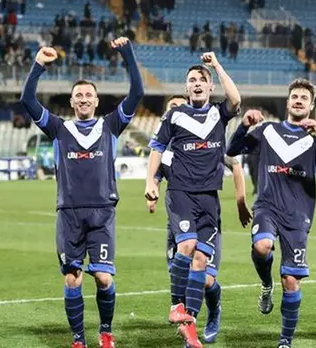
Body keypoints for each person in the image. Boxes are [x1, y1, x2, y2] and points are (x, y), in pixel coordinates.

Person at [19, 37, 144, 348]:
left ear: (97, 101)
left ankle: (105, 332)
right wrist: (38, 65)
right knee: (72, 277)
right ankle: (78, 339)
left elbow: (137, 93)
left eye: (89, 95)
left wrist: (127, 53)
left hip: (102, 213)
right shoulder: (59, 128)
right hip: (69, 214)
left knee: (103, 277)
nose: (84, 99)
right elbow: (27, 100)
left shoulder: (111, 125)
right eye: (79, 95)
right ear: (72, 102)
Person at [227, 79, 316, 348]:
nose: (299, 100)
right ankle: (266, 284)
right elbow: (231, 150)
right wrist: (244, 126)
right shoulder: (268, 131)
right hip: (268, 205)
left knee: (291, 280)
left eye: (304, 98)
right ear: (288, 103)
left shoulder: (313, 137)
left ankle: (285, 340)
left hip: (298, 215)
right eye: (295, 96)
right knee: (262, 246)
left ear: (311, 106)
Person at [145, 53, 241, 348]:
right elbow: (157, 148)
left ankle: (193, 326)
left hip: (209, 198)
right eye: (192, 80)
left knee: (201, 263)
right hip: (181, 193)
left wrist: (217, 66)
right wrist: (150, 181)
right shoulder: (174, 116)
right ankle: (177, 306)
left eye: (202, 80)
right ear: (186, 88)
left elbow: (235, 100)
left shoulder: (218, 114)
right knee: (186, 247)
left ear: (210, 87)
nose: (197, 83)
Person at [155, 96, 251, 344]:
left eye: (180, 107)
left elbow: (235, 165)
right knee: (182, 276)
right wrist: (152, 189)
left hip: (206, 214)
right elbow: (156, 175)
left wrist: (241, 202)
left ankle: (214, 307)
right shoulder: (163, 151)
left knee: (206, 280)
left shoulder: (206, 141)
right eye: (172, 109)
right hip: (179, 220)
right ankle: (190, 332)